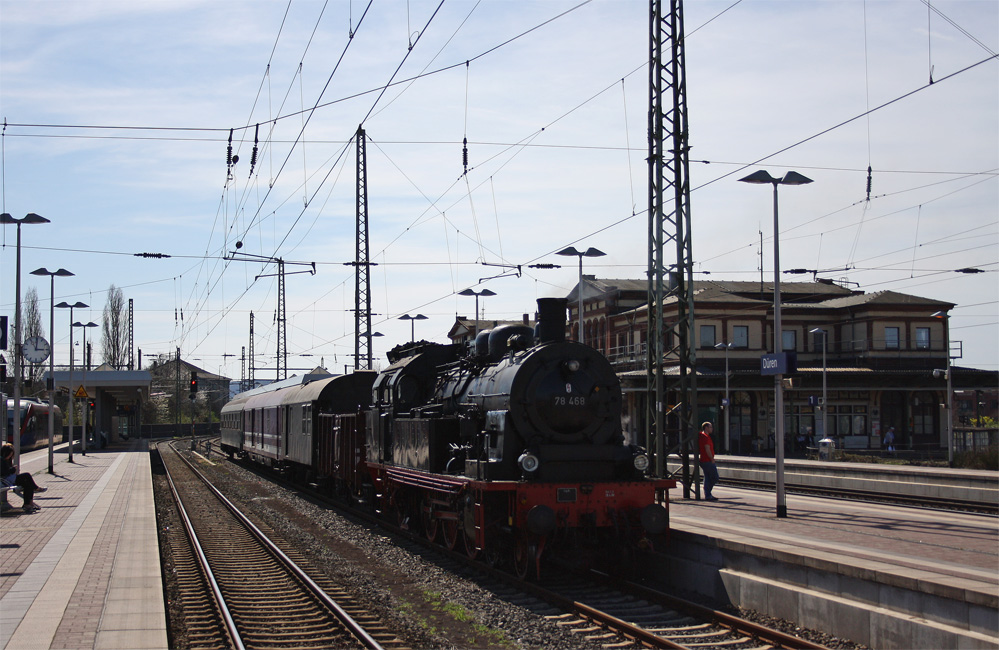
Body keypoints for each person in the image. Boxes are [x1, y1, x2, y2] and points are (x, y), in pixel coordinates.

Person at [1, 443, 47, 513]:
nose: (10, 456)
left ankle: (28, 504)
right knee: (27, 475)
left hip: (9, 479)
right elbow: (4, 472)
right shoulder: (1, 460)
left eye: (11, 455)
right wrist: (13, 469)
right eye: (9, 454)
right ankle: (36, 489)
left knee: (28, 485)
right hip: (6, 480)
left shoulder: (5, 460)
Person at [698, 421, 719, 501]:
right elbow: (707, 449)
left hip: (704, 460)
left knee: (707, 477)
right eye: (710, 427)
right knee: (715, 477)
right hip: (707, 460)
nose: (712, 429)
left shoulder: (703, 435)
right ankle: (708, 492)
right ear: (706, 428)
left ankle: (708, 495)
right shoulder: (705, 437)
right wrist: (711, 458)